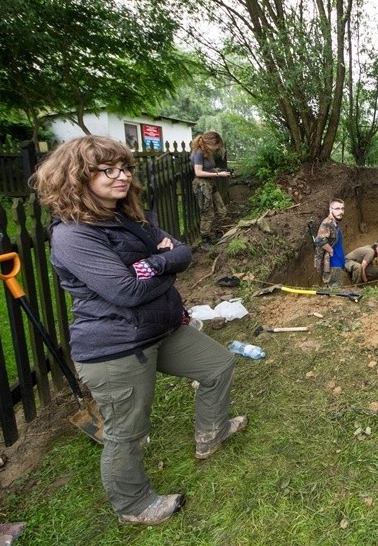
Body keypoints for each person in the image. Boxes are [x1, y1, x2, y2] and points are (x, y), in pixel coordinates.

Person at [31, 136, 247, 526]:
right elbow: (125, 291)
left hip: (160, 329)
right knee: (127, 432)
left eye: (126, 168)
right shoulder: (74, 235)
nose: (122, 177)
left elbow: (181, 252)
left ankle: (210, 434)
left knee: (218, 365)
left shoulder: (127, 216)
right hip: (117, 345)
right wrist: (162, 265)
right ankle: (133, 505)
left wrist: (154, 265)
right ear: (77, 176)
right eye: (108, 170)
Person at [190, 131, 232, 250]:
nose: (218, 147)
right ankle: (205, 240)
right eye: (217, 145)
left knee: (222, 210)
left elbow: (208, 168)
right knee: (207, 213)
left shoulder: (207, 152)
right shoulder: (198, 152)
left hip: (210, 184)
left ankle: (216, 233)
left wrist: (218, 170)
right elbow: (198, 172)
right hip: (202, 185)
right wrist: (219, 174)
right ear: (211, 142)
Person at [314, 198, 346, 287]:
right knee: (333, 293)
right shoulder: (327, 223)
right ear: (330, 209)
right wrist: (331, 250)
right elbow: (319, 239)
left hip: (338, 264)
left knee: (336, 292)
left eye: (342, 208)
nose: (341, 211)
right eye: (337, 209)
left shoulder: (335, 223)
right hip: (332, 265)